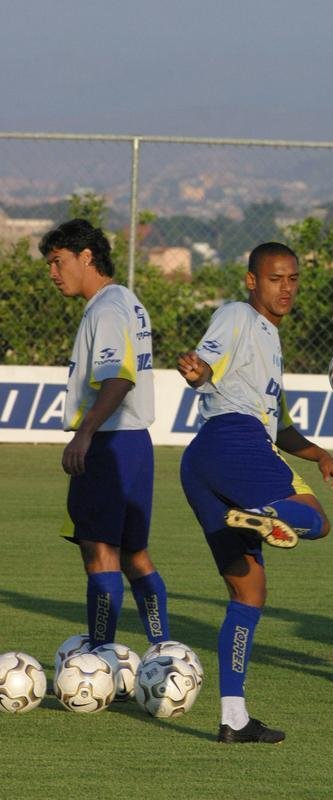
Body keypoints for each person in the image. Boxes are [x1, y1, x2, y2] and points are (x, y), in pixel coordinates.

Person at [178, 241, 333, 743]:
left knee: (248, 592)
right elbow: (204, 365)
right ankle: (264, 513)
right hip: (234, 440)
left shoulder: (270, 343)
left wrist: (319, 454)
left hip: (202, 462)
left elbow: (282, 428)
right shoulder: (238, 316)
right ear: (252, 281)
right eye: (276, 278)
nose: (287, 287)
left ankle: (233, 719)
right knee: (315, 518)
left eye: (293, 278)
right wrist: (199, 373)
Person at [40, 218, 170, 650]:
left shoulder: (107, 308)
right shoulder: (125, 302)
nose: (53, 273)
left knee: (99, 554)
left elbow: (119, 379)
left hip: (110, 442)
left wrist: (84, 434)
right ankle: (162, 651)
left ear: (86, 257)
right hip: (133, 443)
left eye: (58, 262)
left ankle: (100, 660)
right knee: (134, 555)